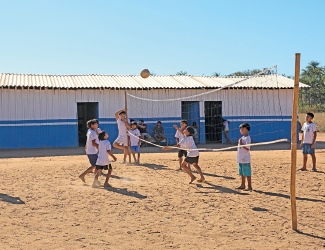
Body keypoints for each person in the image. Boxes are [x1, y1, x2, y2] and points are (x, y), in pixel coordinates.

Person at [236, 122, 252, 190]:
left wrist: (241, 143)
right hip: (241, 158)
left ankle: (249, 186)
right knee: (241, 172)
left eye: (241, 128)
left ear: (245, 129)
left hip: (245, 158)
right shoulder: (242, 137)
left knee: (247, 173)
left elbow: (247, 148)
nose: (240, 130)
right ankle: (242, 185)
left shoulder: (248, 138)